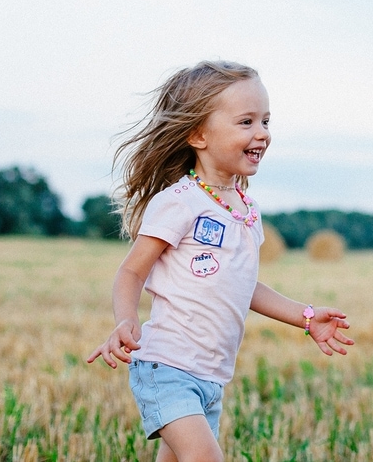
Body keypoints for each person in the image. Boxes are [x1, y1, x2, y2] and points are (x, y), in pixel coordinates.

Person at [87, 60, 354, 462]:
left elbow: (244, 284)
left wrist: (305, 315)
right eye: (246, 122)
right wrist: (126, 319)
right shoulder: (179, 202)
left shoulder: (246, 209)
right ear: (198, 134)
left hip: (211, 377)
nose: (262, 133)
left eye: (266, 120)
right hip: (167, 368)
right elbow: (132, 270)